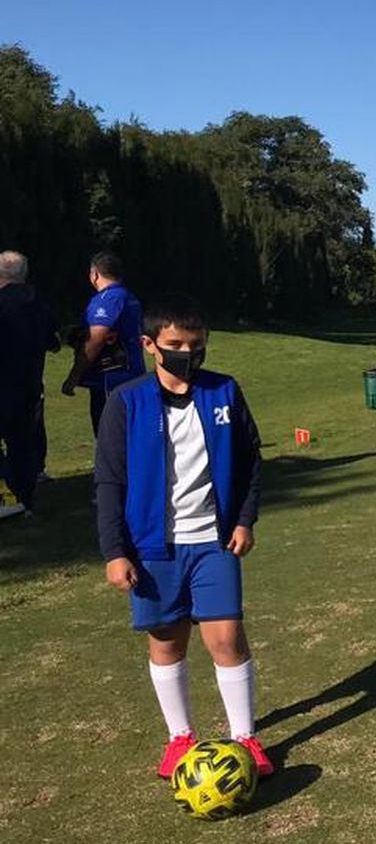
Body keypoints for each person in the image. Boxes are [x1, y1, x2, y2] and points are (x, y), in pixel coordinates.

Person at [94, 297, 273, 777]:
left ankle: (246, 738)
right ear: (149, 345)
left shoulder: (225, 392)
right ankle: (179, 738)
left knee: (227, 639)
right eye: (175, 345)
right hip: (153, 548)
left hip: (214, 542)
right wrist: (115, 551)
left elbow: (251, 461)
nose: (187, 354)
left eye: (196, 346)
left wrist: (243, 520)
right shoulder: (126, 402)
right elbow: (109, 482)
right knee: (167, 641)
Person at [0, 251, 59, 518]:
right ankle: (25, 500)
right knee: (22, 444)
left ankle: (7, 494)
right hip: (30, 384)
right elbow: (53, 341)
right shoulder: (40, 304)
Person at [61, 251, 144, 435]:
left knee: (110, 435)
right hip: (132, 373)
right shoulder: (129, 297)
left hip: (111, 378)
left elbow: (96, 338)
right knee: (127, 433)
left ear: (95, 274)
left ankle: (112, 465)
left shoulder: (108, 299)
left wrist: (74, 375)